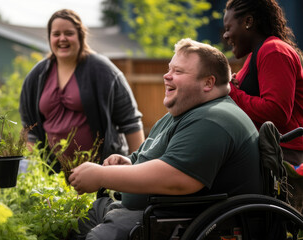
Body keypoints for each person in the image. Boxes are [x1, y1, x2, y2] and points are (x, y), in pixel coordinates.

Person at [68, 38, 263, 240]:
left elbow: (177, 180)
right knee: (72, 224)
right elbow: (162, 160)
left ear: (208, 83)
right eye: (169, 69)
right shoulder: (182, 115)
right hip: (147, 212)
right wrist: (127, 164)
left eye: (178, 72)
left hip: (182, 222)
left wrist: (101, 176)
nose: (166, 76)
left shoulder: (214, 119)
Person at [19, 9, 144, 164]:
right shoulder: (36, 76)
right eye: (56, 34)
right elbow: (30, 130)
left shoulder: (103, 70)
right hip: (53, 174)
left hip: (102, 170)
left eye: (69, 33)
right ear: (49, 38)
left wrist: (137, 166)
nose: (62, 39)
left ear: (80, 35)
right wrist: (28, 171)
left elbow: (130, 122)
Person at [223, 0, 303, 166]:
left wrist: (231, 91)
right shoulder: (257, 54)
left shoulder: (274, 50)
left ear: (248, 22)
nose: (225, 35)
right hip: (271, 152)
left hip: (286, 157)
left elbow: (277, 112)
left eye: (228, 28)